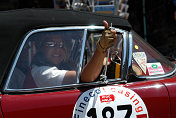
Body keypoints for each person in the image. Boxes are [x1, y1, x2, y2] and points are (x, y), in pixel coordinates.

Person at [27, 20, 117, 88]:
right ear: (40, 47)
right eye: (51, 44)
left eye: (61, 45)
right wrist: (102, 48)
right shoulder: (42, 73)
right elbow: (86, 78)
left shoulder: (63, 65)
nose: (58, 49)